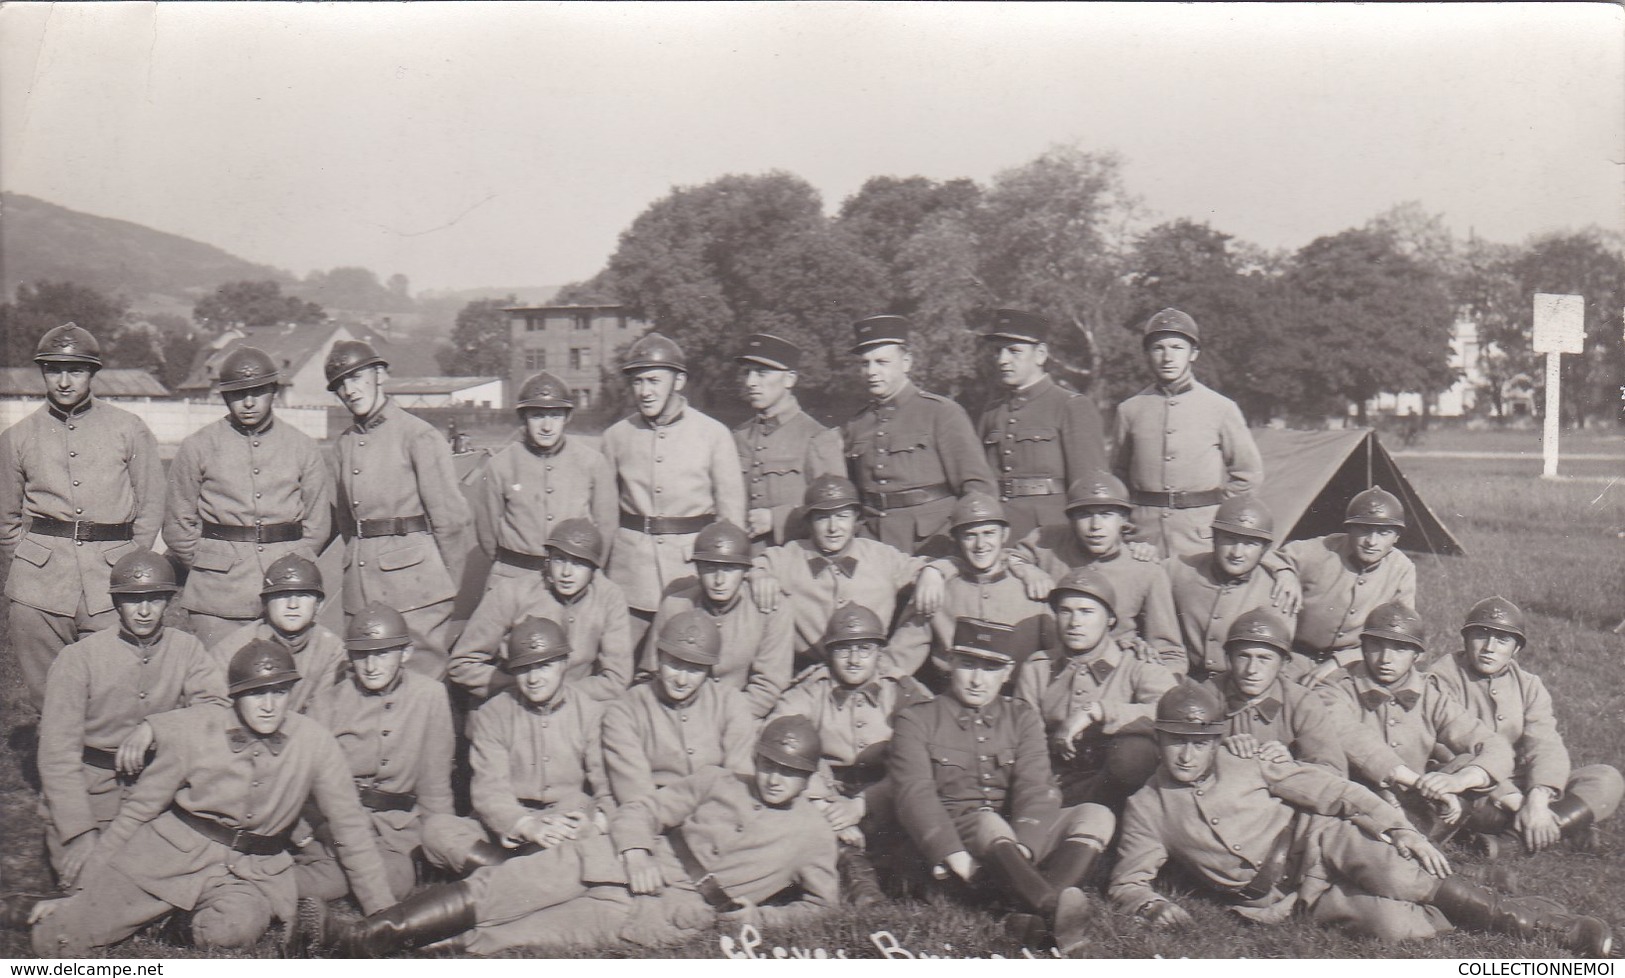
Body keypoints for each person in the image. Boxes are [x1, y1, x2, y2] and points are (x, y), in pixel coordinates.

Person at [1107, 683, 1611, 956]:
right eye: (1177, 740)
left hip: (1323, 841)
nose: (1189, 754)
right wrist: (1150, 905)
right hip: (1283, 899)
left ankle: (1548, 926)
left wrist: (1400, 830)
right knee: (1396, 926)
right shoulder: (1146, 808)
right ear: (1159, 739)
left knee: (1397, 871)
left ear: (1217, 738)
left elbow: (1336, 792)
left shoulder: (1249, 759)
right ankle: (1484, 895)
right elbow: (1128, 881)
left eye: (1201, 742)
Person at [320, 716, 838, 957]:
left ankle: (397, 956)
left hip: (662, 908)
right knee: (497, 889)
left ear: (808, 774)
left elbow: (822, 905)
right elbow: (644, 808)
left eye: (789, 770)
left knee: (520, 932)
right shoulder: (720, 779)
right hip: (607, 856)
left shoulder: (813, 835)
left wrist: (761, 918)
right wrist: (634, 847)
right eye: (769, 763)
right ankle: (367, 934)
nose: (774, 777)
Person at [24, 641, 393, 957]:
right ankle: (73, 910)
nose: (268, 705)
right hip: (167, 859)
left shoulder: (315, 743)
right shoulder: (196, 731)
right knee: (55, 942)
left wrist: (382, 912)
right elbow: (136, 813)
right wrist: (83, 890)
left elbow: (351, 829)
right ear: (235, 697)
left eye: (278, 692)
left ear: (290, 693)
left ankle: (175, 924)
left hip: (251, 872)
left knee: (232, 931)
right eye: (255, 693)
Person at [890, 618, 1109, 947]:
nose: (978, 680)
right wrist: (951, 853)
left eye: (991, 668)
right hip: (958, 842)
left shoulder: (1020, 717)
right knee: (989, 822)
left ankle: (1026, 911)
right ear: (950, 663)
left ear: (1008, 672)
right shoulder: (917, 719)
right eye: (968, 665)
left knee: (1096, 814)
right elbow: (914, 796)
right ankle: (1051, 910)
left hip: (1012, 837)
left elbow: (1037, 789)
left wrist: (1023, 847)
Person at [0, 323, 165, 716]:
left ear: (92, 373)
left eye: (75, 370)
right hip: (38, 588)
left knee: (115, 690)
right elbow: (5, 519)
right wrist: (29, 558)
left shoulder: (128, 429)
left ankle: (109, 772)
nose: (64, 380)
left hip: (111, 580)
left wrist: (128, 561)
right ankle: (57, 774)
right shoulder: (18, 437)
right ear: (43, 373)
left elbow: (151, 504)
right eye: (54, 370)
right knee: (49, 696)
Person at [37, 549, 228, 887]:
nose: (143, 610)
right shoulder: (78, 658)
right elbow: (56, 756)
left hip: (157, 789)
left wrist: (156, 728)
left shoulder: (187, 648)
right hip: (90, 793)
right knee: (89, 884)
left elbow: (216, 710)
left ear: (168, 601)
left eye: (154, 599)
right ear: (117, 603)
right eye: (132, 599)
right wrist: (78, 830)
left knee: (167, 878)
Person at [163, 345, 334, 647]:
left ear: (274, 391)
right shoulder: (198, 446)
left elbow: (318, 523)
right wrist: (209, 564)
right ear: (225, 396)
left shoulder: (302, 446)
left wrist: (293, 564)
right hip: (217, 592)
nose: (249, 402)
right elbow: (178, 524)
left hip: (285, 586)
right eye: (239, 394)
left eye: (259, 391)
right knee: (217, 677)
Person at [1427, 596, 1623, 854]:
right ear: (1465, 638)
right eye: (1480, 635)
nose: (1489, 647)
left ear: (1516, 649)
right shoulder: (1441, 677)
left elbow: (1545, 742)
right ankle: (1562, 830)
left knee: (1606, 778)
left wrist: (1539, 798)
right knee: (1458, 783)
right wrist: (1516, 800)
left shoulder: (1529, 684)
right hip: (1476, 784)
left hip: (1523, 780)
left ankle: (1511, 843)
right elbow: (1446, 751)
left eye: (1502, 640)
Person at [767, 604, 933, 906]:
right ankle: (861, 888)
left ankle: (909, 878)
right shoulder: (810, 689)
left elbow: (923, 750)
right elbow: (780, 735)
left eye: (865, 649)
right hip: (827, 793)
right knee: (821, 832)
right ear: (829, 654)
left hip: (887, 791)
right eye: (844, 651)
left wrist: (862, 804)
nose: (855, 660)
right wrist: (826, 806)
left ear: (880, 652)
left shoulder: (902, 690)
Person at [328, 339, 474, 680]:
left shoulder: (417, 435)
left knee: (421, 680)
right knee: (365, 680)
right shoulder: (344, 444)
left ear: (379, 374)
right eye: (340, 385)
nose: (349, 391)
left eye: (356, 377)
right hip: (361, 584)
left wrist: (442, 586)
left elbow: (451, 522)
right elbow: (348, 524)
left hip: (416, 586)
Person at [296, 603, 455, 910]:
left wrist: (439, 847)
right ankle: (269, 893)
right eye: (361, 654)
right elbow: (303, 783)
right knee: (355, 871)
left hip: (396, 831)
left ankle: (284, 889)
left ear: (405, 654)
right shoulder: (327, 702)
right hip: (335, 824)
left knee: (395, 879)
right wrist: (312, 831)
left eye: (382, 653)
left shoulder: (430, 695)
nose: (371, 665)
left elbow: (434, 783)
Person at [423, 617, 610, 878]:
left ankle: (502, 880)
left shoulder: (591, 712)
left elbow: (606, 784)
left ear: (564, 664)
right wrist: (523, 824)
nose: (533, 678)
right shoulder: (493, 713)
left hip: (562, 822)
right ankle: (524, 878)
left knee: (581, 819)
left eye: (544, 666)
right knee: (437, 830)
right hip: (508, 824)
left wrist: (594, 825)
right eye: (523, 669)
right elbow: (490, 789)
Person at [1325, 602, 1514, 837]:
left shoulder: (1430, 693)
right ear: (1362, 647)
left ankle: (1433, 827)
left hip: (1413, 800)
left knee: (1467, 762)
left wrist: (1459, 781)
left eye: (1400, 649)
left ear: (1418, 654)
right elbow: (1350, 736)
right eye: (1376, 645)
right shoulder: (1336, 688)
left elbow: (1495, 746)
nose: (1386, 658)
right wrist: (1415, 781)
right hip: (1354, 797)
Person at [601, 332, 745, 634]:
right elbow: (604, 513)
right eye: (637, 382)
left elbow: (731, 517)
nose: (644, 391)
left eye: (654, 381)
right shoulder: (616, 437)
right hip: (630, 576)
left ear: (678, 381)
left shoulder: (713, 434)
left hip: (690, 574)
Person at [1016, 568, 1177, 810]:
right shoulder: (1038, 667)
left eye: (1086, 612)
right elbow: (1024, 734)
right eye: (1065, 611)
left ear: (1110, 619)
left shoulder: (1135, 663)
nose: (1075, 623)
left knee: (1135, 753)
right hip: (1054, 781)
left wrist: (1099, 711)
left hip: (1115, 788)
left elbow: (1172, 712)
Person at [1112, 308, 1262, 560]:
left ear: (1194, 353)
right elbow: (1118, 476)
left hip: (1199, 536)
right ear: (1147, 354)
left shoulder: (1220, 408)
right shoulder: (1130, 409)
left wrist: (1215, 515)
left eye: (1177, 347)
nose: (1167, 357)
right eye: (1158, 348)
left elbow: (1248, 474)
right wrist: (1128, 526)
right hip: (1143, 538)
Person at [1206, 608, 1418, 785]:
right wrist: (1223, 752)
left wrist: (1289, 765)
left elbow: (1333, 771)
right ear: (1228, 659)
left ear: (1283, 664)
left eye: (1264, 659)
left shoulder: (1302, 702)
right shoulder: (1205, 695)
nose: (1252, 669)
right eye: (1243, 656)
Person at [746, 475, 944, 664]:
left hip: (873, 669)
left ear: (856, 519)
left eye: (842, 516)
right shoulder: (790, 555)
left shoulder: (880, 555)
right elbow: (756, 567)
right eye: (822, 518)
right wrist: (760, 576)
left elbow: (935, 566)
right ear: (808, 521)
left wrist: (933, 571)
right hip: (811, 675)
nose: (833, 528)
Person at [843, 314, 996, 555]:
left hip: (933, 544)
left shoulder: (941, 413)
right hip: (874, 547)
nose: (871, 371)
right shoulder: (857, 424)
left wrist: (953, 546)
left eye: (882, 362)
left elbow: (977, 489)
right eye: (865, 363)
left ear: (906, 362)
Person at [1012, 472, 1184, 671]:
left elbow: (1170, 652)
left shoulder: (1146, 570)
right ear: (1071, 520)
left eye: (1106, 514)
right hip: (1051, 670)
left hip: (1114, 676)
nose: (1095, 526)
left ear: (1123, 519)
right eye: (1085, 515)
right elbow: (1008, 557)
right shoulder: (1047, 542)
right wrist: (1027, 570)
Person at [448, 518, 632, 703]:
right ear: (547, 560)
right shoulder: (512, 591)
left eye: (578, 563)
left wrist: (559, 696)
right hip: (516, 700)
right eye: (560, 559)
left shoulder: (609, 598)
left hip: (578, 707)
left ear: (594, 569)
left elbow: (616, 679)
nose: (567, 572)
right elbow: (463, 665)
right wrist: (522, 688)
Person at [471, 370, 616, 590]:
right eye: (537, 416)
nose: (547, 427)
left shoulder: (592, 463)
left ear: (567, 417)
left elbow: (606, 527)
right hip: (513, 578)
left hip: (572, 580)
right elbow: (487, 532)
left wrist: (586, 573)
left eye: (555, 415)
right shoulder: (500, 465)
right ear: (523, 417)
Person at [886, 492, 1053, 682]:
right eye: (970, 536)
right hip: (952, 694)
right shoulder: (939, 588)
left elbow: (1057, 656)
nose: (980, 545)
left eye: (989, 533)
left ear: (1004, 535)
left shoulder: (1032, 586)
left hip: (1016, 699)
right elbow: (899, 658)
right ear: (956, 540)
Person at [975, 308, 1107, 541]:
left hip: (1051, 536)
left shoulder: (1070, 406)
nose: (1002, 360)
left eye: (1014, 351)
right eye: (997, 351)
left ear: (1040, 354)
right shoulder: (991, 412)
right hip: (999, 536)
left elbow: (1089, 487)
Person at [600, 610, 755, 806]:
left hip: (717, 815)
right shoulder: (625, 710)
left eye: (695, 669)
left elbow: (738, 780)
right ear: (658, 658)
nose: (682, 680)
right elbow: (636, 795)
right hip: (654, 815)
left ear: (709, 670)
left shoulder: (731, 703)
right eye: (674, 664)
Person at [641, 521, 792, 718]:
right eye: (710, 567)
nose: (719, 580)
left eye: (730, 569)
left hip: (740, 716)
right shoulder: (676, 604)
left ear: (746, 571)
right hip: (673, 715)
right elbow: (650, 672)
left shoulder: (770, 609)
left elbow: (768, 686)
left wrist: (718, 721)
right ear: (697, 568)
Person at [1273, 486, 1417, 683]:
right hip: (1295, 654)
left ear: (1397, 537)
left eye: (1383, 533)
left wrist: (1340, 661)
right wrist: (1285, 571)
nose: (1371, 541)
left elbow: (1398, 632)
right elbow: (1269, 555)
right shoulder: (1323, 549)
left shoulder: (1402, 568)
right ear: (1349, 529)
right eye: (1364, 530)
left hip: (1352, 661)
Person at [1165, 495, 1299, 681]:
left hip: (1239, 685)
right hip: (1183, 677)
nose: (1237, 553)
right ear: (1214, 538)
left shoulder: (1278, 590)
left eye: (1250, 544)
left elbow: (1274, 660)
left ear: (1264, 549)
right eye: (1229, 539)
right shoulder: (1178, 569)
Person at [731, 333, 843, 550]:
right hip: (745, 560)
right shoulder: (738, 436)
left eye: (762, 373)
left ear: (790, 379)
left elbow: (836, 511)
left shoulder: (818, 437)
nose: (750, 382)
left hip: (796, 559)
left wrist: (777, 519)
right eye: (747, 373)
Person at [211, 553, 348, 716]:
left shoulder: (331, 648)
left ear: (318, 604)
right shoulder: (232, 648)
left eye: (303, 596)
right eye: (282, 595)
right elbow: (214, 708)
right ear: (265, 603)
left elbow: (326, 711)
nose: (293, 605)